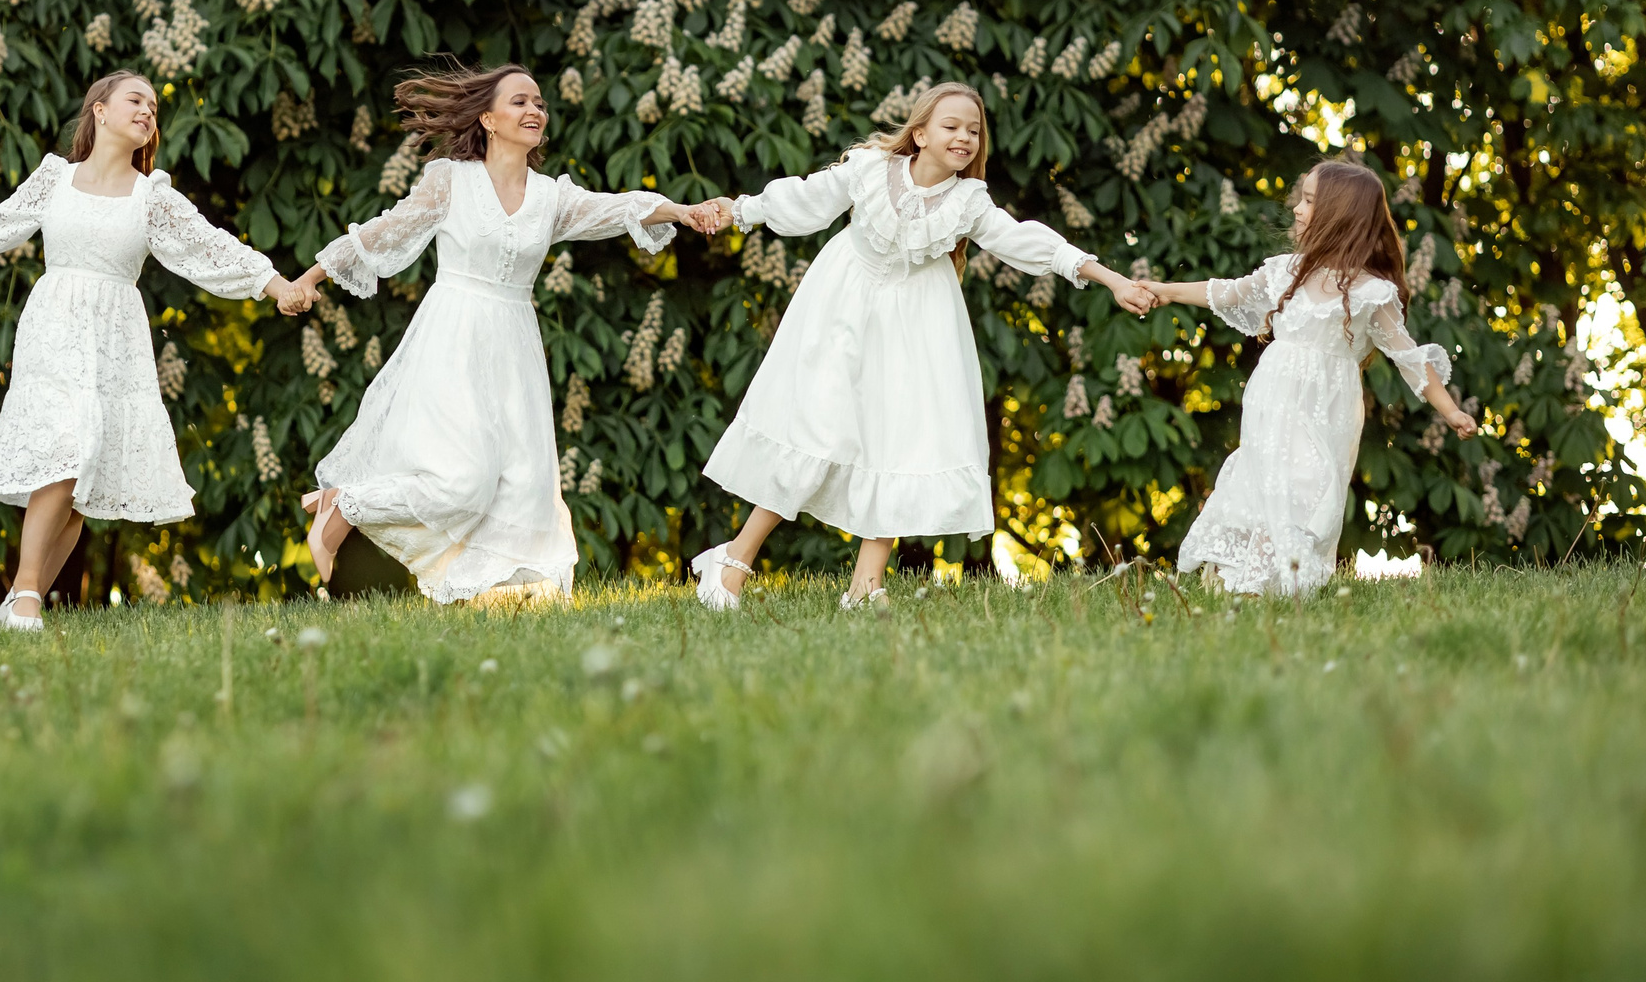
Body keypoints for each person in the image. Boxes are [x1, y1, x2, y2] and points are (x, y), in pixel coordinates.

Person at [690, 81, 1157, 611]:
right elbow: (807, 198)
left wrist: (1112, 279)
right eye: (952, 126)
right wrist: (739, 210)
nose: (964, 138)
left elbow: (1027, 240)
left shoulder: (967, 202)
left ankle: (866, 586)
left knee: (900, 440)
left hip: (916, 325)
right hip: (841, 307)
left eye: (974, 131)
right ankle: (730, 561)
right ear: (919, 134)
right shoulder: (869, 170)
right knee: (814, 428)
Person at [286, 64, 730, 604]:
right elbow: (384, 232)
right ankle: (344, 505)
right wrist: (308, 278)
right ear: (488, 119)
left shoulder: (550, 198)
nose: (535, 111)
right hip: (452, 337)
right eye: (520, 102)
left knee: (523, 484)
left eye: (540, 103)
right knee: (462, 482)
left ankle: (507, 603)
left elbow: (618, 207)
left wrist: (682, 211)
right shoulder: (450, 180)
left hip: (515, 347)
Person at [0, 70, 314, 631]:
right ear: (99, 109)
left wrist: (277, 285)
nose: (148, 111)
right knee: (64, 451)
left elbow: (211, 247)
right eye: (135, 100)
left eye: (154, 106)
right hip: (53, 328)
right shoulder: (54, 180)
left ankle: (21, 607)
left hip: (115, 340)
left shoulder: (152, 198)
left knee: (80, 476)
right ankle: (24, 597)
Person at [1139, 159, 1477, 595]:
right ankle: (1245, 585)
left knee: (1307, 486)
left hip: (1327, 408)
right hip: (1272, 399)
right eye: (1301, 198)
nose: (1297, 208)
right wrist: (1164, 291)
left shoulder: (1371, 292)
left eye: (1310, 200)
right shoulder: (1285, 271)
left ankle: (1283, 583)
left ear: (1339, 214)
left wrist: (1449, 411)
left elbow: (1409, 357)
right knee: (1266, 481)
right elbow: (1225, 291)